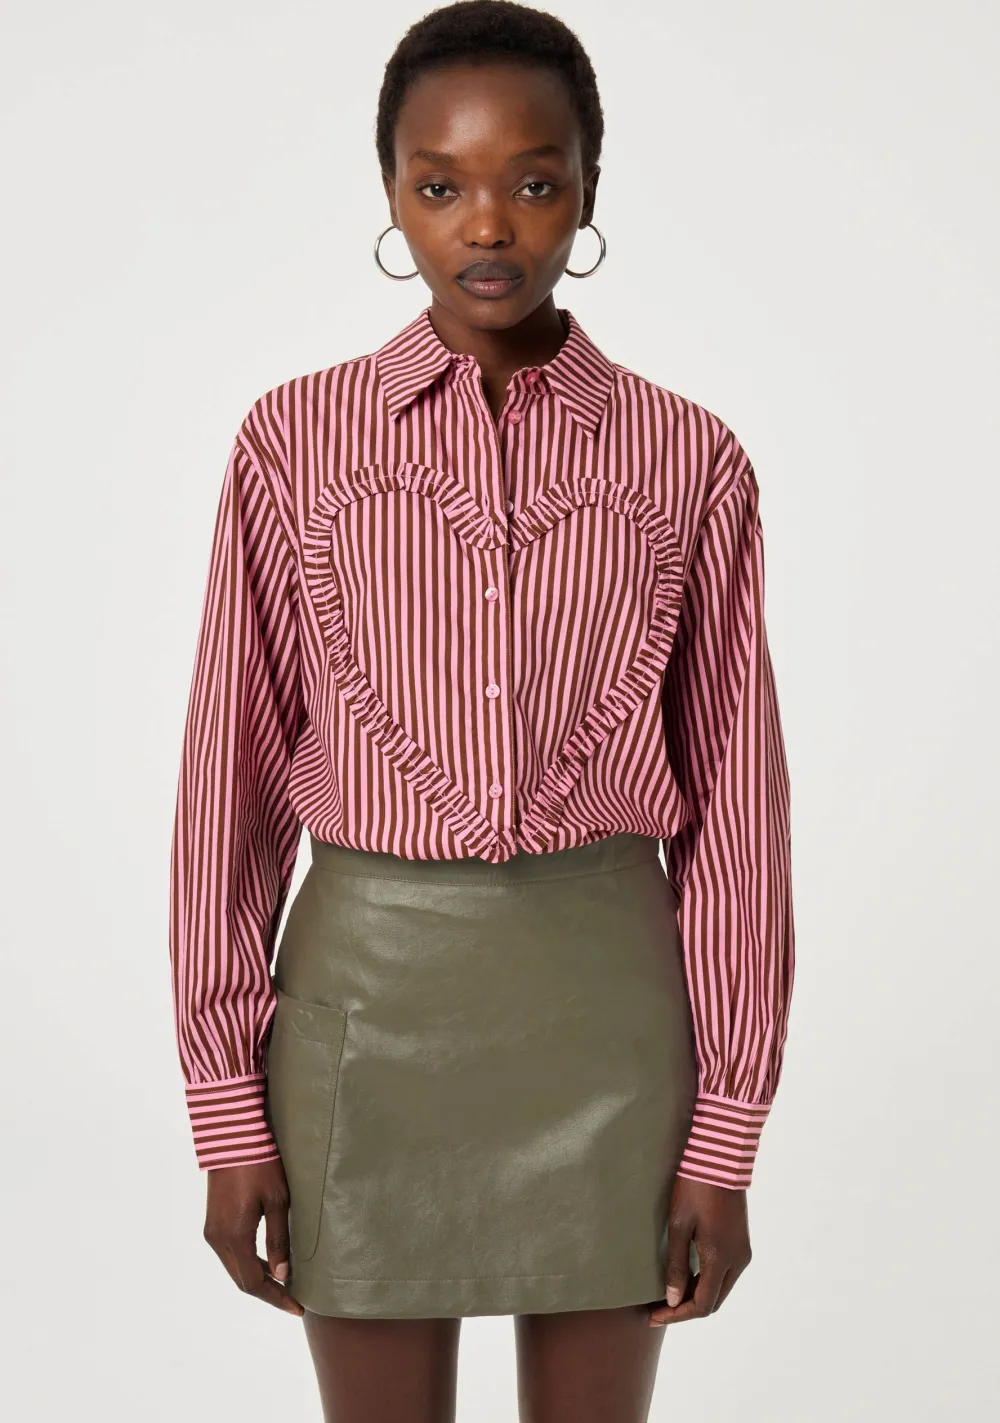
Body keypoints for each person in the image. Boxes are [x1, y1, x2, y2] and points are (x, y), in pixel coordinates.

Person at [167, 2, 795, 1419]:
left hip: (610, 1020)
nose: (489, 225)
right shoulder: (296, 438)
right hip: (364, 1019)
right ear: (390, 193)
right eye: (440, 184)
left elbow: (739, 807)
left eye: (535, 180)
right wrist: (223, 1103)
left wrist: (726, 1133)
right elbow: (231, 779)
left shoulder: (687, 455)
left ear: (589, 186)